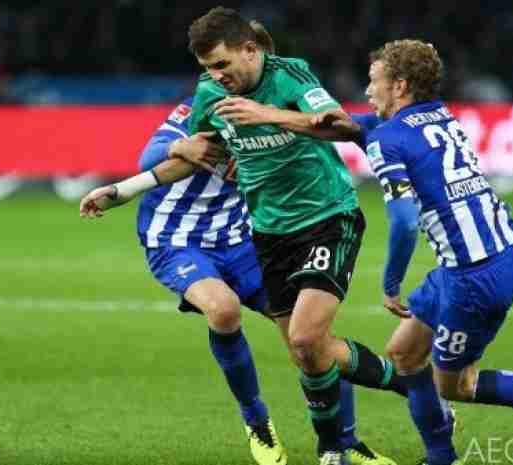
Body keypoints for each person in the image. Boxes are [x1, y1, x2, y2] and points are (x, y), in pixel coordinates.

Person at [219, 39, 513, 465]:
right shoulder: (435, 115)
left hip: (477, 275)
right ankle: (440, 456)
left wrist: (391, 282)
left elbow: (405, 221)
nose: (367, 90)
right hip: (473, 259)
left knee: (455, 385)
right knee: (404, 356)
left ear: (400, 86)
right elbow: (344, 126)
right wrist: (271, 115)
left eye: (374, 80)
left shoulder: (388, 140)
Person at [80, 19, 402, 465]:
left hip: (243, 237)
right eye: (211, 68)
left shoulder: (283, 93)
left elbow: (337, 126)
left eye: (224, 66)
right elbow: (153, 156)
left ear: (256, 57)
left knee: (310, 342)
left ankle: (349, 438)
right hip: (178, 238)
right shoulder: (206, 101)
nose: (219, 76)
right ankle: (257, 421)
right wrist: (175, 151)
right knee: (223, 309)